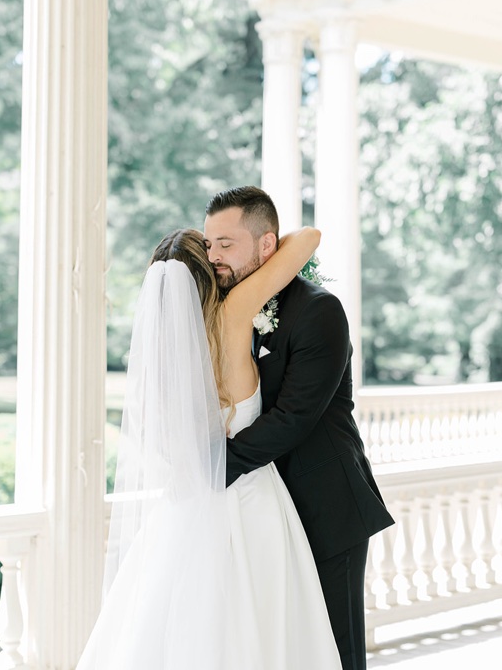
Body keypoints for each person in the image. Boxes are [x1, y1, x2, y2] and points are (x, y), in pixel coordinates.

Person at [77, 220, 342, 670]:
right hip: (250, 501)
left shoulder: (159, 355)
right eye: (212, 255)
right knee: (259, 628)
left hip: (184, 506)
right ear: (208, 276)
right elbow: (309, 238)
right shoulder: (233, 315)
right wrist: (230, 250)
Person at [206, 186, 395, 670]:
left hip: (325, 505)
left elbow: (293, 418)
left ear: (267, 247)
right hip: (262, 513)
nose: (214, 257)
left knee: (335, 651)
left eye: (227, 244)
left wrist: (211, 469)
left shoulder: (317, 311)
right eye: (209, 245)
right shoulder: (227, 309)